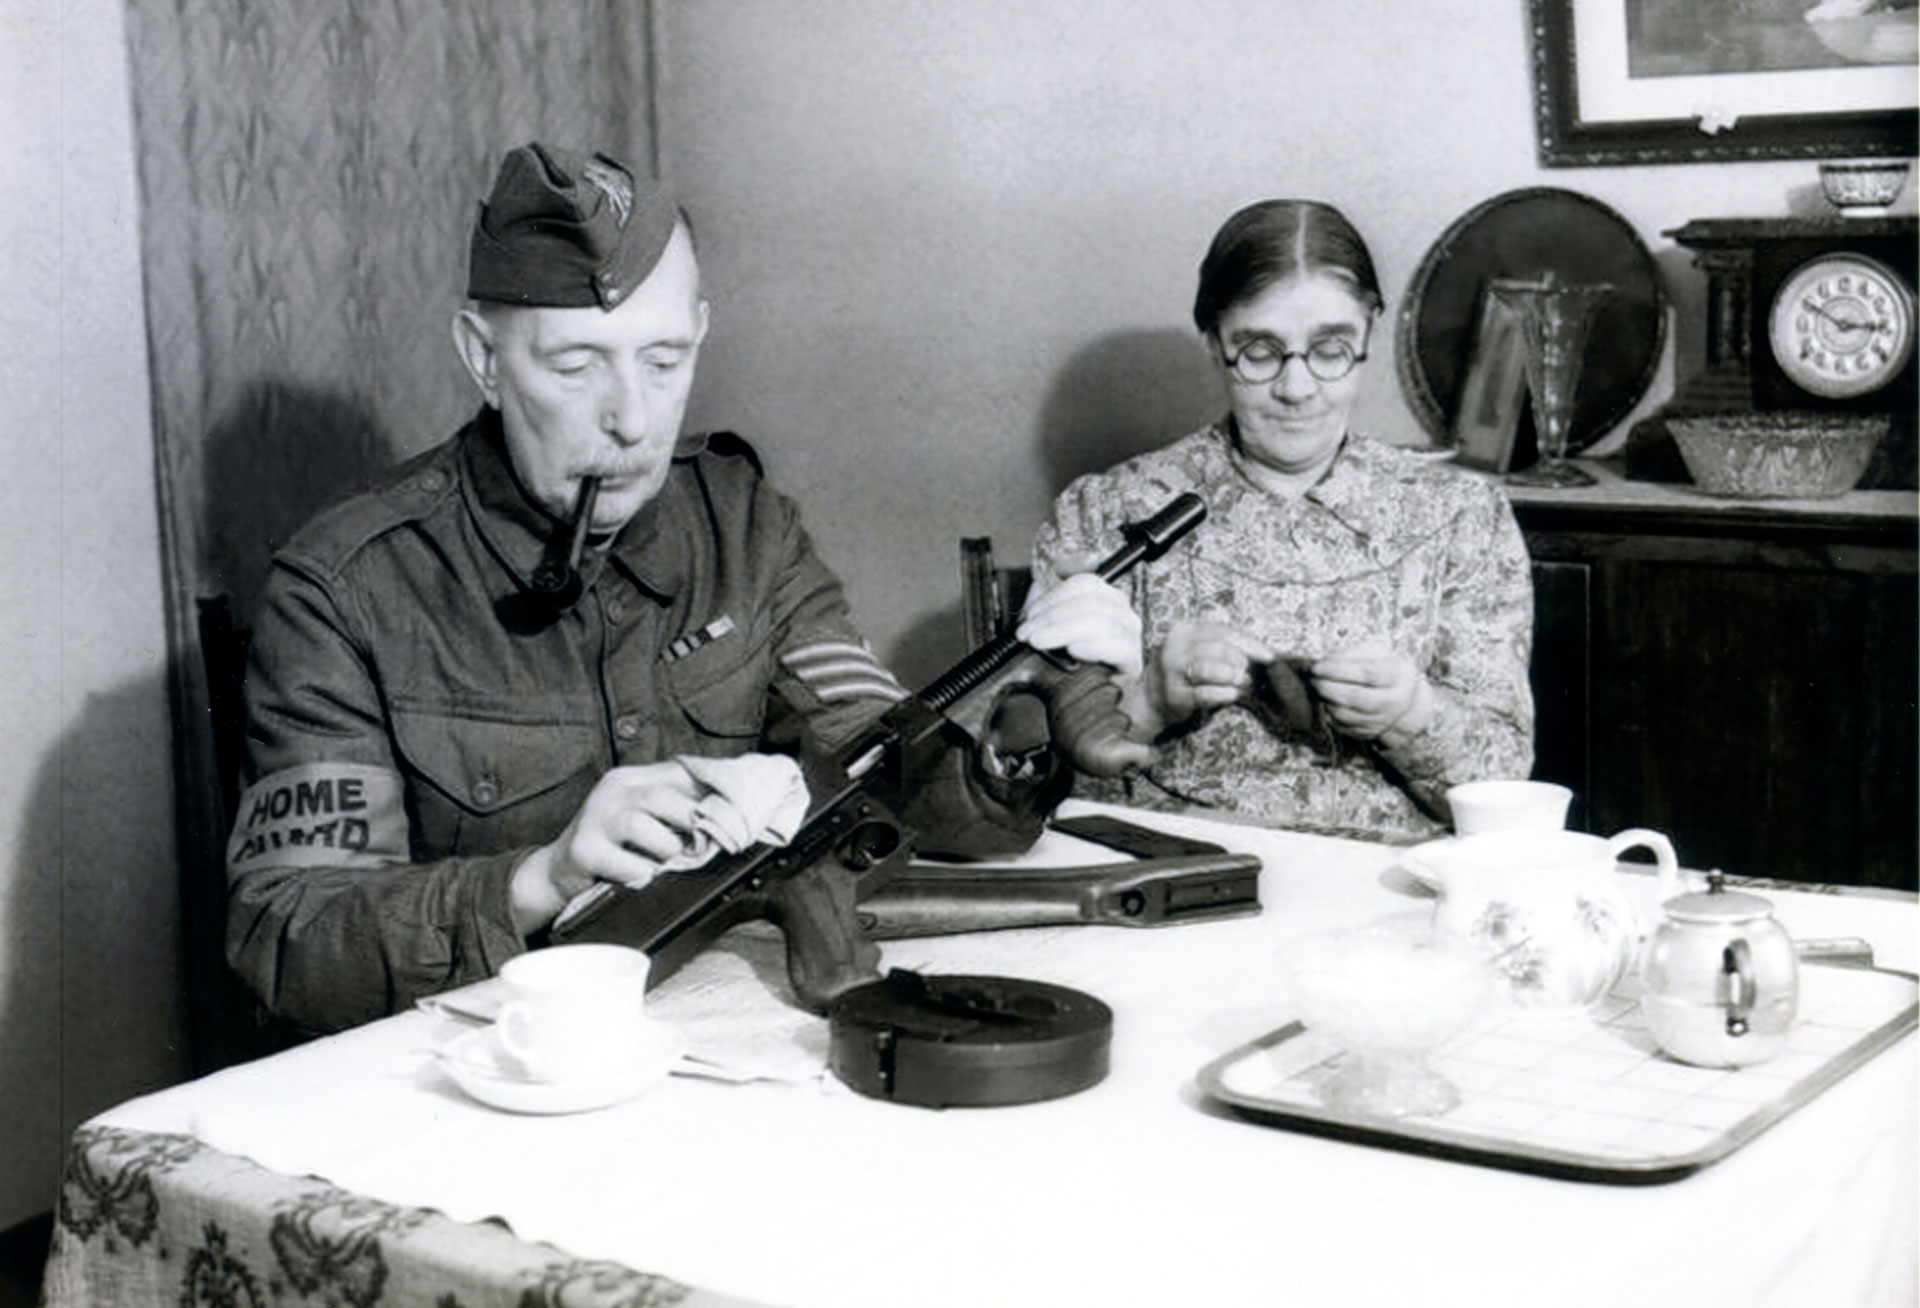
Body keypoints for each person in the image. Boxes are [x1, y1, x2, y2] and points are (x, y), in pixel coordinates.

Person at [225, 142, 1141, 1033]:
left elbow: (884, 780)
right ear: (482, 359)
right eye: (576, 364)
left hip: (711, 1047)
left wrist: (1017, 704)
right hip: (480, 1073)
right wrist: (541, 878)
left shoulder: (745, 527)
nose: (631, 420)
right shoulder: (347, 586)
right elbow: (286, 942)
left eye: (663, 363)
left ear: (701, 336)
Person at [1032, 199, 1534, 842]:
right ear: (1215, 343)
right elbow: (1032, 781)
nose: (1297, 389)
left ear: (1367, 337)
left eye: (1330, 349)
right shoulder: (1106, 512)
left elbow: (1506, 787)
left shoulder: (1462, 517)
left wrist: (1412, 713)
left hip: (1385, 888)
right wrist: (1152, 700)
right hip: (1167, 880)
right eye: (1260, 351)